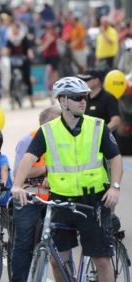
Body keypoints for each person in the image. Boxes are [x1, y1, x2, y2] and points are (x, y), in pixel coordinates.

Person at [12, 77, 123, 282]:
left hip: (94, 200)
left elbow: (115, 158)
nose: (83, 101)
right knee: (58, 261)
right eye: (77, 97)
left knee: (102, 260)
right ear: (63, 101)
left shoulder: (98, 126)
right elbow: (28, 158)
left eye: (85, 97)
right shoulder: (48, 131)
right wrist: (17, 185)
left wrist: (114, 187)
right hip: (60, 201)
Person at [11, 105, 61, 282]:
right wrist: (46, 169)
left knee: (61, 248)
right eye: (57, 121)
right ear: (44, 125)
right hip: (28, 199)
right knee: (24, 244)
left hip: (55, 199)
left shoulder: (63, 141)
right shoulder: (28, 140)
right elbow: (19, 173)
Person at [7, 22, 35, 108]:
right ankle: (12, 97)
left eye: (15, 29)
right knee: (12, 78)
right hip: (14, 60)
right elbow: (7, 47)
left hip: (24, 59)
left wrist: (30, 53)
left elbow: (28, 47)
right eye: (13, 29)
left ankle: (31, 99)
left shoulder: (23, 37)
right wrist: (5, 51)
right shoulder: (10, 38)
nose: (14, 31)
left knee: (27, 78)